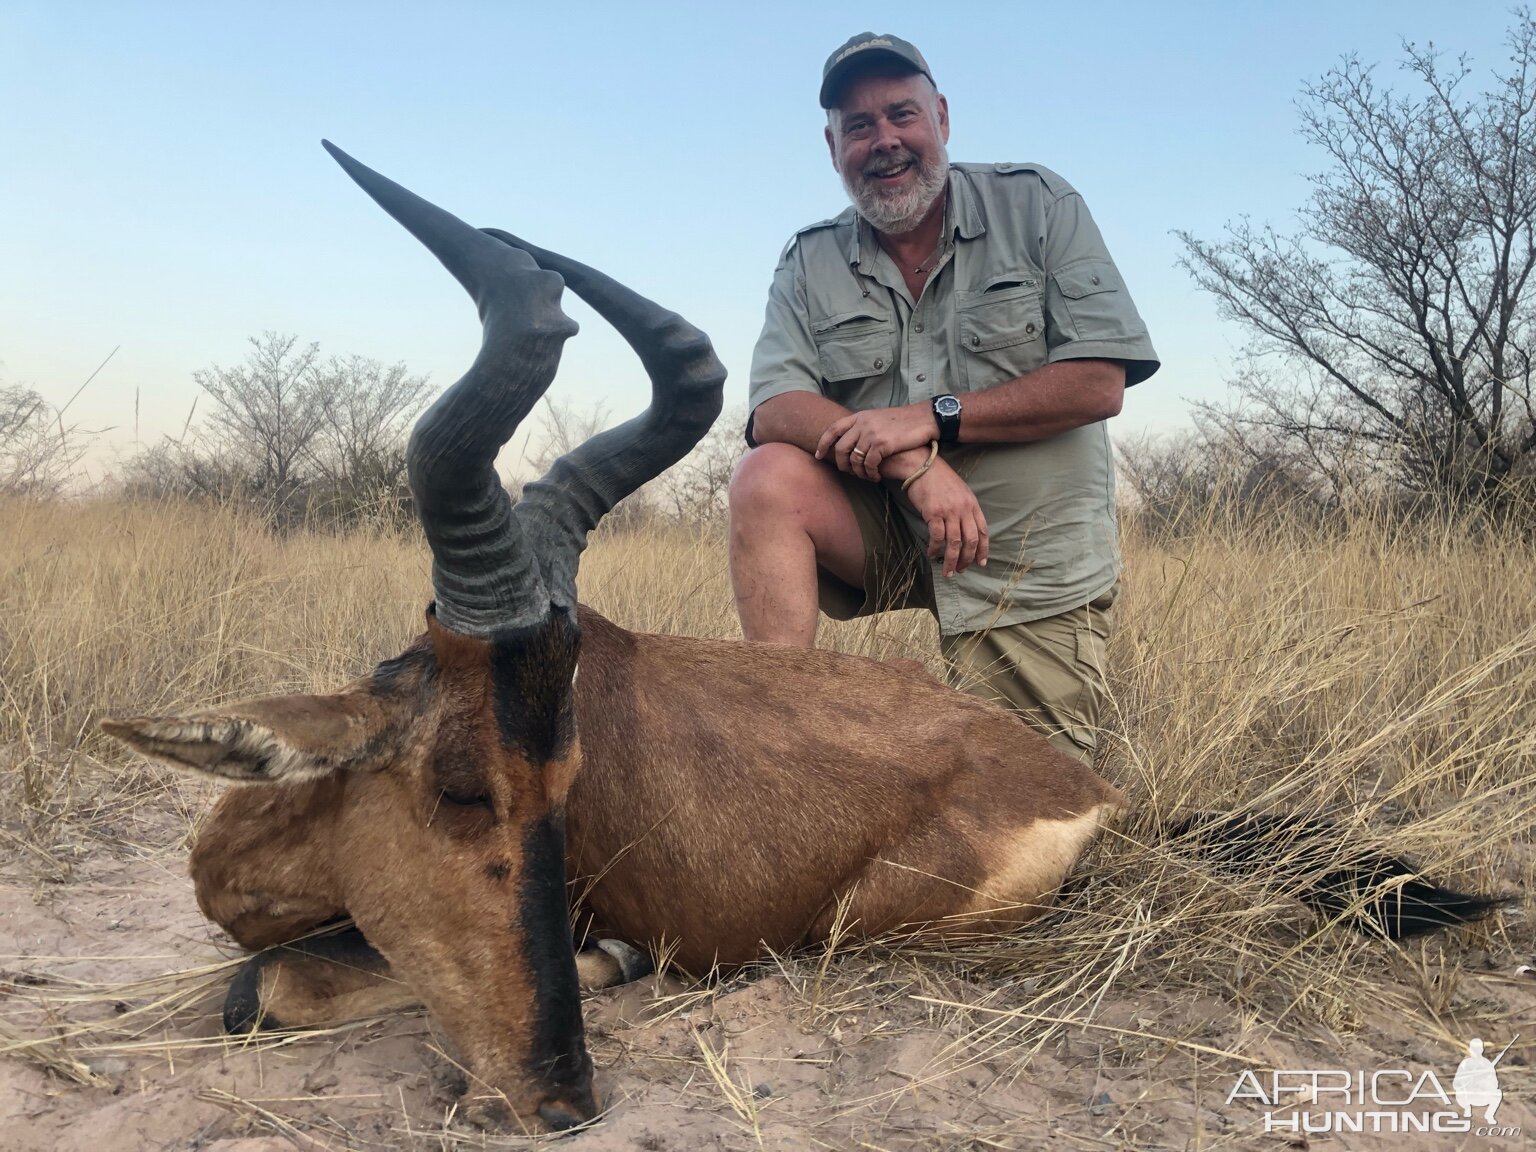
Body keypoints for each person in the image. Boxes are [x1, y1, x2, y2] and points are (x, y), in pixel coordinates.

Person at [728, 32, 1159, 763]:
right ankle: (782, 735)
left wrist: (931, 421)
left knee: (1022, 809)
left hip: (1025, 552)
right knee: (764, 476)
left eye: (902, 115)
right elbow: (775, 405)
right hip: (897, 530)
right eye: (858, 127)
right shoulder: (809, 258)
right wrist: (918, 470)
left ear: (943, 120)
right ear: (833, 148)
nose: (884, 141)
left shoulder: (1040, 204)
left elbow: (1099, 380)